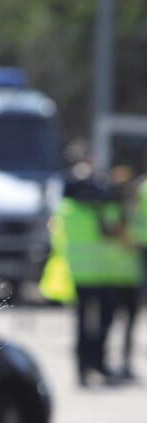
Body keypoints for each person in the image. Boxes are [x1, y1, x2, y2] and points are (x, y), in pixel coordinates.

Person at [54, 164, 142, 385]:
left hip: (80, 274)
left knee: (83, 322)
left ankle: (83, 367)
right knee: (103, 322)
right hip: (104, 274)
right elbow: (118, 234)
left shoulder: (65, 209)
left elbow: (57, 239)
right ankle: (96, 362)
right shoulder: (103, 209)